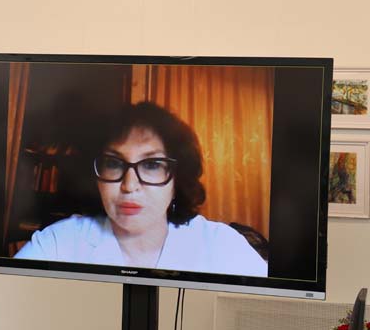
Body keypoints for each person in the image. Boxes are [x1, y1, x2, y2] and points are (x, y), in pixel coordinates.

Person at [14, 102, 268, 277]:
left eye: (152, 165)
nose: (130, 186)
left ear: (177, 178)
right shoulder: (58, 243)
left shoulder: (223, 246)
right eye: (114, 163)